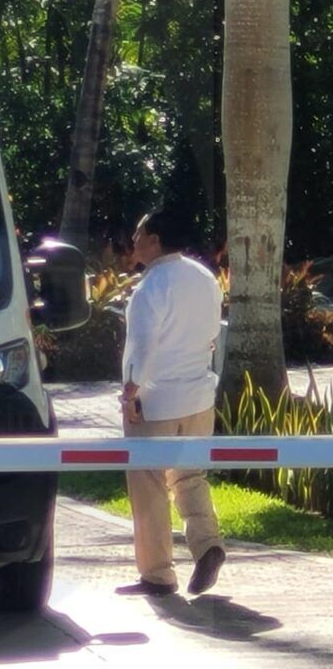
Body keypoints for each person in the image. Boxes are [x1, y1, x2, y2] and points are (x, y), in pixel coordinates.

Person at [116, 208, 226, 597]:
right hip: (198, 395)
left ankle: (157, 574)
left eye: (139, 234)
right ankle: (207, 543)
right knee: (189, 475)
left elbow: (141, 346)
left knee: (148, 483)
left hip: (156, 399)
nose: (134, 240)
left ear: (156, 240)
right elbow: (213, 331)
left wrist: (131, 391)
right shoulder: (204, 277)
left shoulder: (150, 287)